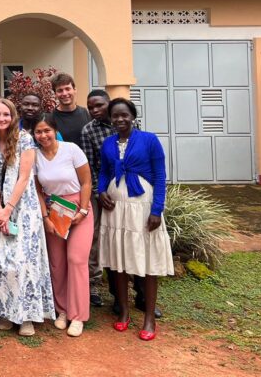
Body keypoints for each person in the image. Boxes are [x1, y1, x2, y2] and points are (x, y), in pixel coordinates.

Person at [98, 98, 173, 341]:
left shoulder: (149, 140)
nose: (120, 119)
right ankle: (124, 311)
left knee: (148, 261)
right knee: (118, 259)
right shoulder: (108, 143)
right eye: (115, 116)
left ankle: (149, 317)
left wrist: (157, 209)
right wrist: (100, 192)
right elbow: (104, 172)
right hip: (115, 208)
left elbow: (160, 176)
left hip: (142, 206)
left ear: (133, 116)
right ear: (110, 119)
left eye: (124, 115)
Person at [0, 99, 54, 335]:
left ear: (12, 117)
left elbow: (24, 177)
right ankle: (5, 310)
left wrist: (9, 207)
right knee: (2, 260)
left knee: (24, 261)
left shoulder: (25, 140)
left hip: (23, 208)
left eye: (6, 114)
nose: (1, 118)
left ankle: (27, 316)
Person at [33, 113, 94, 337]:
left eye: (47, 130)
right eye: (38, 132)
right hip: (54, 210)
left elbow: (86, 181)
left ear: (54, 130)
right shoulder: (36, 157)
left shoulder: (71, 150)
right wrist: (45, 217)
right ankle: (62, 310)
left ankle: (78, 316)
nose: (43, 135)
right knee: (57, 263)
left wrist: (84, 209)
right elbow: (38, 190)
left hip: (78, 207)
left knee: (76, 259)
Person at [80, 89, 114, 310]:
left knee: (120, 236)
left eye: (99, 105)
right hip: (99, 191)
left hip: (127, 189)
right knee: (93, 237)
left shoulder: (127, 123)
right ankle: (92, 284)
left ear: (108, 103)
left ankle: (126, 288)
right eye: (91, 107)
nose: (94, 110)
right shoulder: (88, 130)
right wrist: (99, 192)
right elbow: (89, 166)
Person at [49, 73, 90, 148]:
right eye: (60, 90)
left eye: (67, 89)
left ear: (75, 90)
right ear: (55, 94)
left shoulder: (86, 113)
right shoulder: (50, 119)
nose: (64, 93)